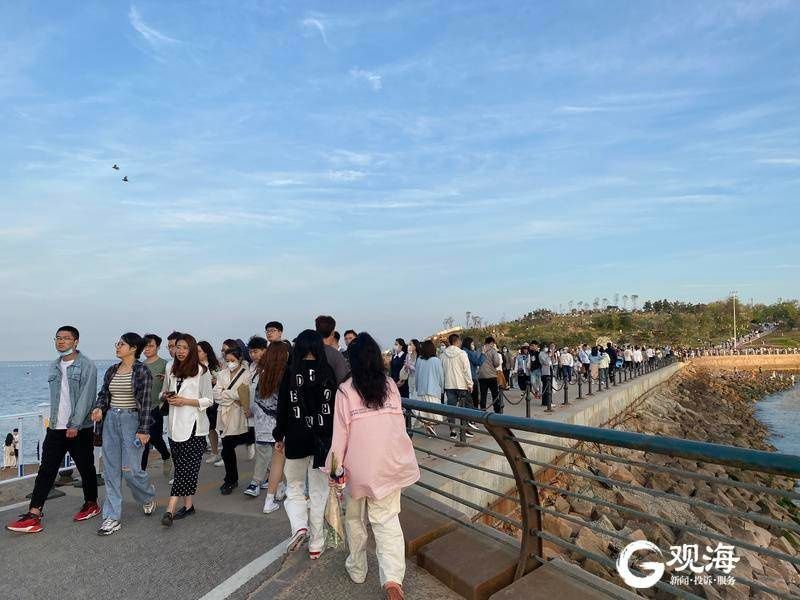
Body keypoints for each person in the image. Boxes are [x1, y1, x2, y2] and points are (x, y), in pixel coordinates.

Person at [325, 333, 420, 600]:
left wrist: (334, 469)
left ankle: (357, 568)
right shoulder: (390, 385)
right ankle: (392, 580)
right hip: (390, 466)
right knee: (387, 521)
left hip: (358, 469)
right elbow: (398, 427)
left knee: (355, 519)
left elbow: (339, 436)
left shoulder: (345, 390)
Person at [7, 326, 99, 534]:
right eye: (58, 338)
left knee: (86, 468)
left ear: (76, 342)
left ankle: (91, 503)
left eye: (66, 338)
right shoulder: (54, 366)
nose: (61, 342)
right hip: (56, 427)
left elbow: (86, 397)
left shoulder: (87, 365)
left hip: (79, 428)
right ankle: (34, 514)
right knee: (46, 470)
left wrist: (74, 424)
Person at [273, 329, 338, 559]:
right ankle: (316, 545)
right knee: (319, 492)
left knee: (294, 487)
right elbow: (334, 412)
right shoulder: (327, 372)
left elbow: (282, 409)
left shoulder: (290, 372)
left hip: (296, 438)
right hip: (322, 441)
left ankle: (299, 526)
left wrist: (279, 436)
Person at [90, 333, 157, 535]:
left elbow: (146, 403)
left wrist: (144, 430)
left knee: (131, 471)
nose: (117, 346)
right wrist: (99, 408)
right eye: (117, 343)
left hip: (132, 421)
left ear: (133, 348)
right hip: (110, 420)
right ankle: (112, 517)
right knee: (110, 471)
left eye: (122, 344)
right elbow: (104, 394)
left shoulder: (142, 371)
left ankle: (147, 495)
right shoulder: (112, 370)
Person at [160, 333, 213, 527]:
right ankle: (189, 506)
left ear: (191, 350)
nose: (180, 351)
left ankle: (170, 509)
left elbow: (209, 400)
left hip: (195, 427)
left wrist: (185, 401)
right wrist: (166, 396)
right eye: (177, 347)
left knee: (184, 470)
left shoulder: (202, 371)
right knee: (183, 467)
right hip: (174, 426)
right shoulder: (169, 367)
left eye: (184, 348)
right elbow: (163, 391)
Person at [248, 342, 288, 511]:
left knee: (272, 460)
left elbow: (256, 401)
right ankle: (279, 490)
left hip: (263, 425)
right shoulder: (284, 374)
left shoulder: (262, 374)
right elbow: (284, 404)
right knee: (280, 461)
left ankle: (272, 494)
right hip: (279, 425)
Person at [214, 346, 253, 495]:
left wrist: (226, 394)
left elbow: (245, 393)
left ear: (240, 359)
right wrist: (232, 396)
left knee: (247, 439)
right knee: (227, 450)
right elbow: (216, 394)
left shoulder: (247, 374)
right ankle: (230, 479)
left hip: (240, 415)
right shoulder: (222, 374)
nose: (230, 363)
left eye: (233, 360)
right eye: (228, 360)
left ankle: (261, 478)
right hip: (224, 414)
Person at [141, 334, 172, 475]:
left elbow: (173, 384)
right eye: (145, 346)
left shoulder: (165, 364)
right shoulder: (140, 365)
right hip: (141, 408)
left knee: (156, 437)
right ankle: (141, 472)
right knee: (144, 440)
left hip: (157, 407)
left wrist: (167, 378)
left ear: (158, 347)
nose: (147, 349)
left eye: (150, 346)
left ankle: (166, 456)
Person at [440, 334, 474, 439]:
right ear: (458, 341)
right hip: (461, 384)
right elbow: (466, 370)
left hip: (448, 385)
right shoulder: (462, 353)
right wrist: (470, 383)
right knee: (464, 408)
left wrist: (442, 386)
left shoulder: (442, 355)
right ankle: (464, 429)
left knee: (451, 408)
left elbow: (441, 372)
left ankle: (453, 430)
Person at [197, 340, 222, 465]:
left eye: (199, 351)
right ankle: (214, 452)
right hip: (200, 401)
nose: (197, 354)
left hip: (215, 400)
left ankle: (224, 453)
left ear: (206, 352)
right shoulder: (194, 366)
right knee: (210, 428)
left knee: (221, 427)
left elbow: (221, 381)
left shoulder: (213, 366)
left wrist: (214, 381)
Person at [414, 340, 444, 435]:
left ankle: (428, 427)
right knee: (434, 412)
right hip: (433, 390)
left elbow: (416, 375)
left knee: (425, 412)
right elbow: (440, 376)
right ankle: (431, 427)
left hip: (422, 390)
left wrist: (417, 388)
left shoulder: (419, 360)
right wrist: (442, 389)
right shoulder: (436, 360)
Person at [315, 315, 350, 384]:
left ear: (316, 331)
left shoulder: (307, 353)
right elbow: (343, 381)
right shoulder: (336, 355)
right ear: (333, 332)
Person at [477, 337, 503, 413]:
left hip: (481, 376)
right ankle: (497, 410)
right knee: (495, 394)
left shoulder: (479, 350)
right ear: (491, 343)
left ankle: (483, 410)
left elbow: (477, 361)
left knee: (483, 395)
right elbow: (497, 363)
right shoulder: (493, 351)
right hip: (492, 376)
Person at [462, 337, 485, 413]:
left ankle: (465, 417)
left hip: (463, 379)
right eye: (472, 344)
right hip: (472, 377)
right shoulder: (469, 353)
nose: (473, 345)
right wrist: (483, 354)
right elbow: (478, 362)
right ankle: (473, 417)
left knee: (466, 400)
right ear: (468, 344)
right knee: (474, 399)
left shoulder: (462, 351)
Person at [539, 342, 553, 408]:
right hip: (545, 372)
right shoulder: (541, 354)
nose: (546, 348)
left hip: (550, 370)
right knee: (546, 387)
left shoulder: (547, 353)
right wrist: (549, 356)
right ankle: (546, 402)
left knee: (549, 386)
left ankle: (550, 401)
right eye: (545, 347)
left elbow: (552, 361)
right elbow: (546, 362)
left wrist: (551, 355)